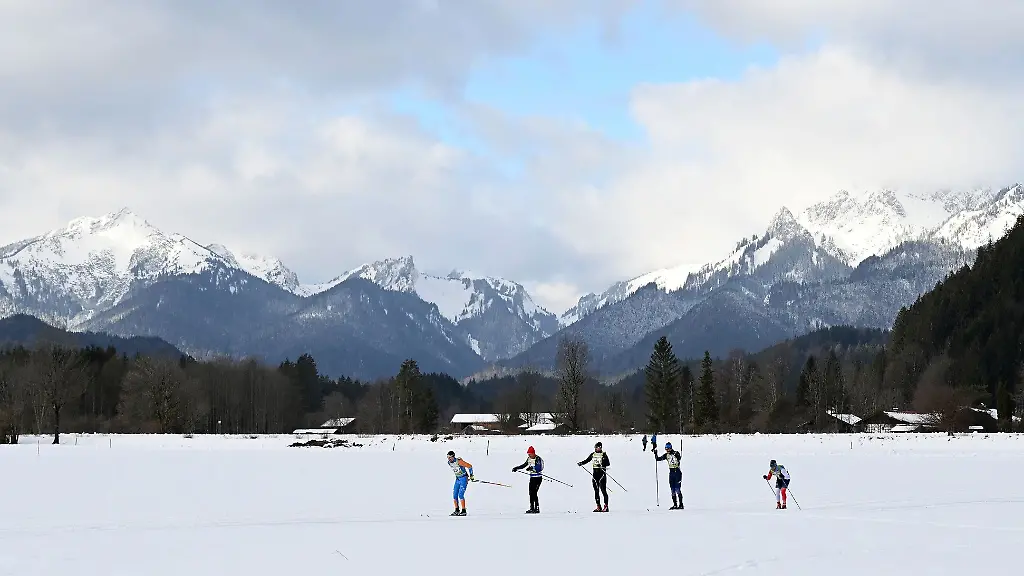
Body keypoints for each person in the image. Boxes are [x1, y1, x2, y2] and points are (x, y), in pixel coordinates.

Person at [578, 441, 610, 512]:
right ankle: (598, 506)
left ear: (601, 448)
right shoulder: (593, 454)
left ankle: (606, 506)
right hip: (595, 475)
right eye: (596, 447)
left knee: (603, 491)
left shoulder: (604, 455)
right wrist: (581, 463)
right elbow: (587, 460)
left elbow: (608, 464)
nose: (597, 449)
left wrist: (602, 464)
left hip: (602, 475)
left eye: (598, 447)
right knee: (596, 491)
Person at [512, 445, 544, 513]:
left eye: (530, 454)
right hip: (532, 478)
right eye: (528, 454)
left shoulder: (538, 459)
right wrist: (516, 468)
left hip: (538, 478)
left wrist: (532, 468)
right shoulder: (529, 459)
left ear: (533, 453)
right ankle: (532, 508)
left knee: (534, 492)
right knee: (531, 493)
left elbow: (539, 468)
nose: (529, 455)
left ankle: (537, 508)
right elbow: (524, 465)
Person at [654, 441, 684, 509]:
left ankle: (681, 504)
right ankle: (675, 504)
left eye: (668, 448)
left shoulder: (676, 453)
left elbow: (679, 458)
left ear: (671, 448)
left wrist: (676, 454)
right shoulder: (666, 455)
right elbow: (658, 459)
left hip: (677, 472)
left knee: (677, 489)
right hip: (671, 472)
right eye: (666, 448)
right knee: (672, 489)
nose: (667, 450)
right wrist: (655, 454)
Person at [447, 450, 475, 516]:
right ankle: (456, 510)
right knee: (454, 495)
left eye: (450, 457)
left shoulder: (459, 461)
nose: (449, 459)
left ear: (453, 457)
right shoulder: (449, 462)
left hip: (463, 479)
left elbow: (470, 466)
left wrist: (471, 476)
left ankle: (463, 510)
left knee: (461, 494)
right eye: (448, 457)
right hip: (458, 479)